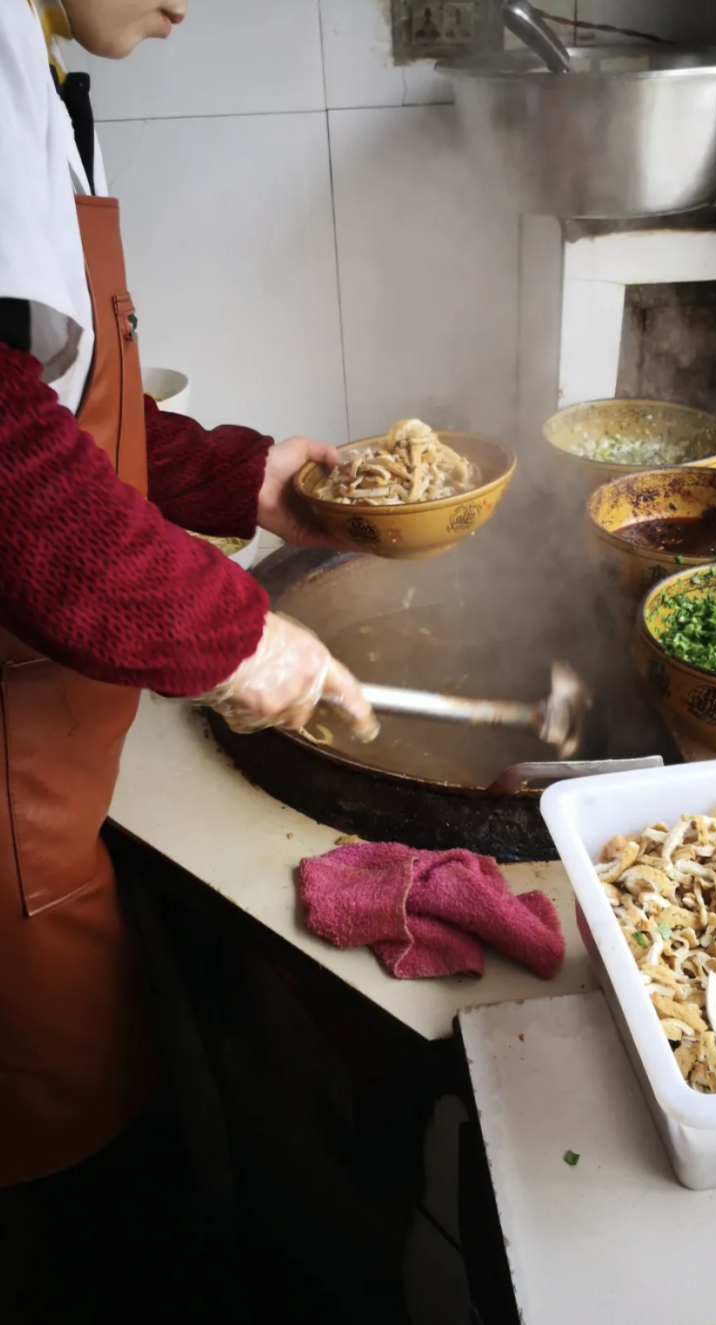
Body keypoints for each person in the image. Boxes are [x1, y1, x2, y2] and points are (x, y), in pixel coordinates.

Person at [0, 0, 377, 1196]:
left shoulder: (36, 63)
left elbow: (64, 410)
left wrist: (239, 477)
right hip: (7, 805)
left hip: (48, 770)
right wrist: (232, 637)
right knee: (53, 1159)